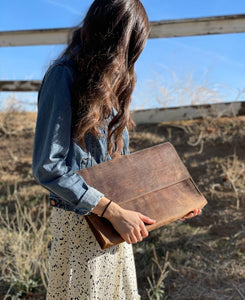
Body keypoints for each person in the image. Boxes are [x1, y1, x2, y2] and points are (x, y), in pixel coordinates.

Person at [32, 0, 201, 298]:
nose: (131, 59)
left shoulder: (111, 88)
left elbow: (121, 171)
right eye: (132, 46)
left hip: (112, 227)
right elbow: (49, 167)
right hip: (80, 227)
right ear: (114, 40)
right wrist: (112, 211)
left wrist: (172, 203)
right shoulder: (63, 77)